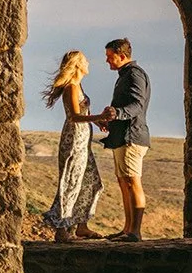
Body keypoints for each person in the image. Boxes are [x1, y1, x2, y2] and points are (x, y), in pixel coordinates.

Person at [39, 50, 106, 243]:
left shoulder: (79, 86)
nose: (88, 63)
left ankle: (81, 226)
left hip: (83, 141)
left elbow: (83, 113)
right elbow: (74, 117)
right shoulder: (71, 87)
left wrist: (97, 122)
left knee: (90, 181)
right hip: (74, 140)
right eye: (85, 60)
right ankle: (61, 229)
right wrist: (100, 116)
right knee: (71, 182)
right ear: (77, 65)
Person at [96, 38, 153, 242]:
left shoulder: (134, 74)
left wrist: (117, 113)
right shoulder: (125, 75)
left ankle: (134, 232)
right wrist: (110, 120)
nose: (107, 61)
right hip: (122, 136)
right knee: (124, 182)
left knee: (132, 181)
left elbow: (137, 104)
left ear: (122, 56)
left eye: (109, 57)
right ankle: (128, 229)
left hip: (131, 137)